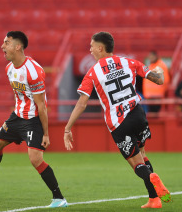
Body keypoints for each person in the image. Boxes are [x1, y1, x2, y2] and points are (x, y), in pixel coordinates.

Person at [63, 32, 172, 209]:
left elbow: (82, 104)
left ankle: (151, 178)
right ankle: (154, 199)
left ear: (100, 47)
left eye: (92, 46)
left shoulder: (92, 73)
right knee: (143, 156)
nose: (90, 50)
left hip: (119, 122)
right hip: (138, 113)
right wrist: (159, 70)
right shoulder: (129, 62)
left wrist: (68, 128)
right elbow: (159, 80)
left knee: (135, 163)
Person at [0, 31, 68, 208]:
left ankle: (59, 198)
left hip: (33, 119)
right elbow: (20, 96)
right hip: (17, 116)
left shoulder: (34, 72)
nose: (2, 46)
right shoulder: (9, 68)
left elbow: (41, 106)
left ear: (18, 46)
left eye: (6, 42)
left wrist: (46, 134)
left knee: (35, 158)